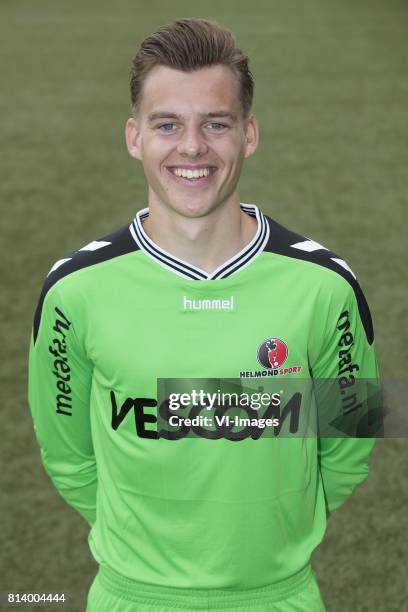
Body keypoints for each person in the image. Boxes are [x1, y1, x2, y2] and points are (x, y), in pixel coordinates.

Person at [28, 18, 380, 612]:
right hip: (130, 597)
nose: (192, 146)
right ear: (135, 136)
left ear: (249, 135)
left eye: (216, 124)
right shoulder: (73, 292)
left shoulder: (325, 286)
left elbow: (351, 440)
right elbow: (66, 453)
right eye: (168, 125)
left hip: (281, 597)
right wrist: (150, 557)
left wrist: (269, 541)